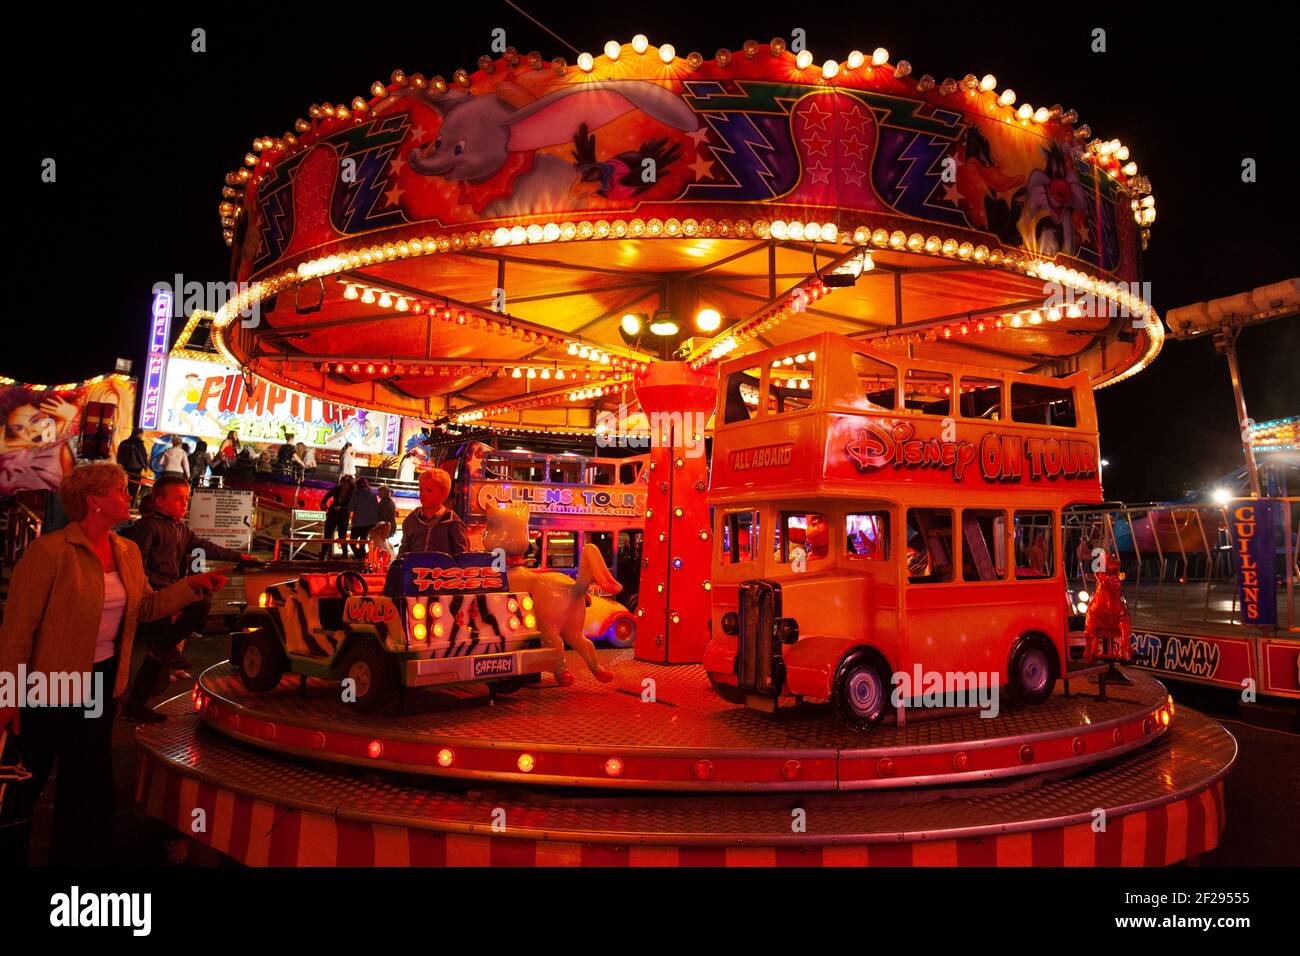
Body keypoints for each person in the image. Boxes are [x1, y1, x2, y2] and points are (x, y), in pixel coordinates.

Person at [0, 463, 226, 865]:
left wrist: (191, 587)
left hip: (101, 678)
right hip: (51, 681)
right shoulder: (50, 552)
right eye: (121, 491)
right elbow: (16, 631)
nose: (129, 497)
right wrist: (8, 697)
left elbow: (145, 608)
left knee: (85, 778)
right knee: (28, 774)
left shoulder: (127, 551)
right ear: (94, 501)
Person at [119, 474, 254, 723]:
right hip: (154, 597)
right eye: (179, 499)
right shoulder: (148, 527)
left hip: (171, 594)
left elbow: (206, 546)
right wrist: (150, 595)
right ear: (159, 501)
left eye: (186, 499)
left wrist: (237, 556)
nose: (185, 503)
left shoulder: (180, 529)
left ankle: (136, 702)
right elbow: (137, 566)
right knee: (195, 607)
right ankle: (135, 700)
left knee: (159, 651)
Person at [398, 469, 468, 557]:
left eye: (429, 491)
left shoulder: (452, 522)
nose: (423, 494)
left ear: (444, 494)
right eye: (421, 490)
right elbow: (403, 551)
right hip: (413, 569)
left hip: (441, 569)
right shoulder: (412, 520)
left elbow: (460, 554)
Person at [319, 474, 354, 559]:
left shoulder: (352, 492)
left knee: (342, 536)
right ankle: (323, 555)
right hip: (333, 513)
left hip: (343, 515)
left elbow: (351, 507)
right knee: (327, 534)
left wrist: (341, 508)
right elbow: (328, 495)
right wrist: (323, 503)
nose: (344, 485)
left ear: (350, 484)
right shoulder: (337, 488)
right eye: (343, 483)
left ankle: (345, 555)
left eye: (346, 483)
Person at [115, 428, 149, 501]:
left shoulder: (123, 443)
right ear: (140, 434)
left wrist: (120, 464)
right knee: (133, 489)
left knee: (125, 486)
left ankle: (122, 501)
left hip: (124, 469)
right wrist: (145, 466)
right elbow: (142, 456)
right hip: (135, 470)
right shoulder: (138, 444)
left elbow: (119, 455)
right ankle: (131, 504)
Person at [349, 477, 380, 557]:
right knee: (363, 542)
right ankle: (362, 558)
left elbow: (351, 507)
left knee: (352, 542)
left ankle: (360, 556)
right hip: (371, 523)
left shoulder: (357, 493)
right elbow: (376, 507)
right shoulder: (373, 493)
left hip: (359, 523)